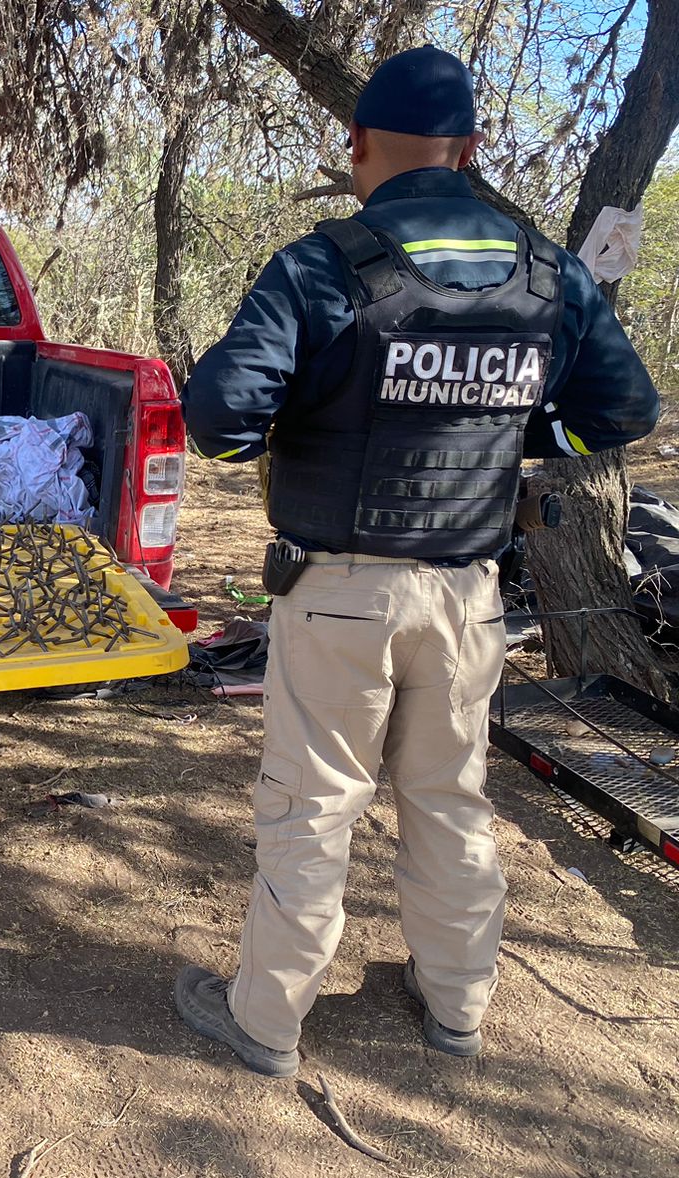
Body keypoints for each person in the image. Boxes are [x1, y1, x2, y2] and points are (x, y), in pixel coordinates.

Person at [174, 46, 659, 1077]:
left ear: (354, 146)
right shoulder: (546, 272)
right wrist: (515, 436)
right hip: (468, 599)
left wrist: (313, 415)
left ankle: (263, 1021)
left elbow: (218, 423)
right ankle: (454, 1011)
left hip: (339, 591)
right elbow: (621, 413)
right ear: (471, 148)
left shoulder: (321, 265)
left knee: (314, 805)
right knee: (448, 797)